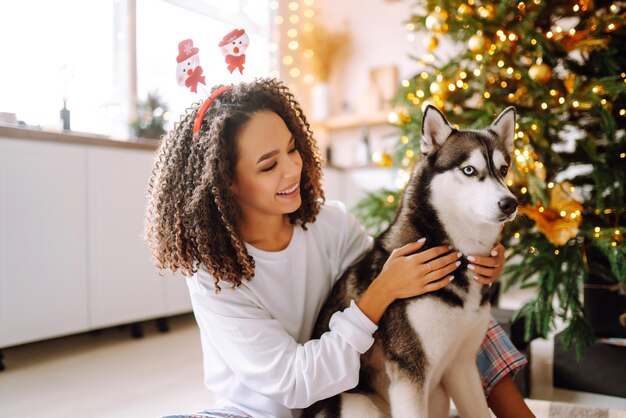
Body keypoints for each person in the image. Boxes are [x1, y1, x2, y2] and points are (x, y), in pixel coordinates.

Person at [145, 78, 534, 418]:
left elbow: (402, 307)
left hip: (350, 393)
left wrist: (475, 269)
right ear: (225, 181)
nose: (292, 169)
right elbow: (295, 383)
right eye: (268, 165)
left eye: (293, 149)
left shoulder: (329, 224)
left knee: (447, 300)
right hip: (256, 412)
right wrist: (380, 293)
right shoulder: (216, 278)